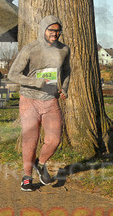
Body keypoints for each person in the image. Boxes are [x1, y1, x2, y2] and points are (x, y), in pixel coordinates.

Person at [8, 15, 70, 192]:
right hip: (29, 99)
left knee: (54, 140)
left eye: (58, 31)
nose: (55, 34)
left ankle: (40, 163)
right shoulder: (30, 49)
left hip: (50, 99)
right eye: (51, 30)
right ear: (43, 29)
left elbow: (66, 71)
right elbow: (13, 74)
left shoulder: (64, 49)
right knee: (31, 138)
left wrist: (64, 88)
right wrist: (35, 82)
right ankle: (27, 177)